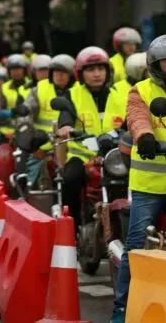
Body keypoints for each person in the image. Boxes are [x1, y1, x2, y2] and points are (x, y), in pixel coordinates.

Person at [110, 34, 166, 323]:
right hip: (151, 183)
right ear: (156, 64)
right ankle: (122, 308)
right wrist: (145, 137)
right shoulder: (140, 90)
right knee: (138, 241)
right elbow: (137, 117)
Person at [56, 47, 126, 231]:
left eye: (101, 69)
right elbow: (65, 114)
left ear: (107, 71)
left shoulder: (121, 96)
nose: (96, 74)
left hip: (114, 156)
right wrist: (65, 126)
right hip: (82, 156)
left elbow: (131, 121)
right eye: (91, 69)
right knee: (70, 179)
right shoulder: (72, 94)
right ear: (80, 73)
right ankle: (72, 230)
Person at [21, 54, 75, 186]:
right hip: (43, 143)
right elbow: (27, 114)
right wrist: (29, 137)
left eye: (64, 72)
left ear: (71, 74)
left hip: (74, 144)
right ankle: (27, 190)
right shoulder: (39, 89)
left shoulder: (80, 91)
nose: (59, 75)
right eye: (56, 71)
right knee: (30, 173)